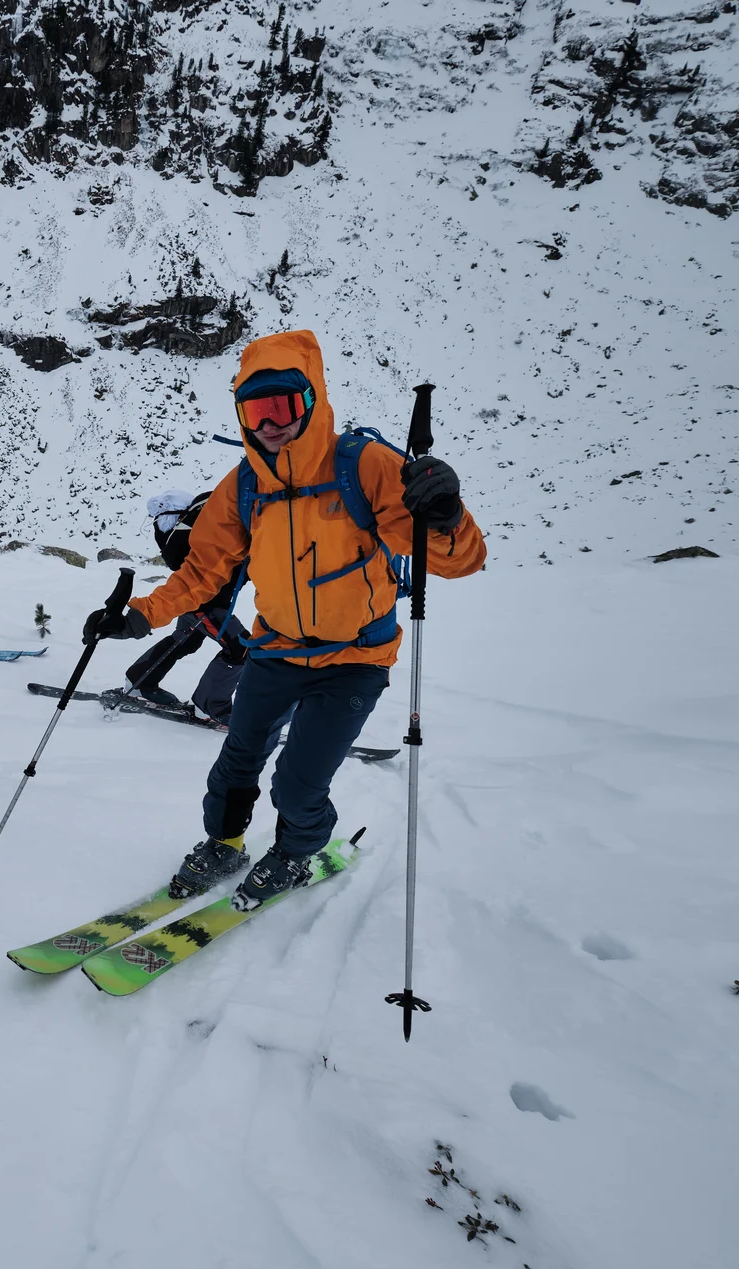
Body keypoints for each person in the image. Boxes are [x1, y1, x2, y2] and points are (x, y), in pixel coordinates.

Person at [85, 330, 486, 907]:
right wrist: (138, 617)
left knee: (298, 786)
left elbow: (458, 561)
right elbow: (202, 573)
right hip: (274, 654)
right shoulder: (245, 486)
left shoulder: (366, 467)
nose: (270, 422)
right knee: (232, 770)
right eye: (256, 408)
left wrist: (446, 514)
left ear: (312, 399)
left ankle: (296, 853)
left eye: (284, 404)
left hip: (353, 660)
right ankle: (224, 845)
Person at [119, 489, 246, 723]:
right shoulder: (231, 528)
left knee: (184, 640)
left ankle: (139, 681)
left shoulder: (206, 527)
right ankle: (210, 707)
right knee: (240, 648)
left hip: (194, 599)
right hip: (205, 602)